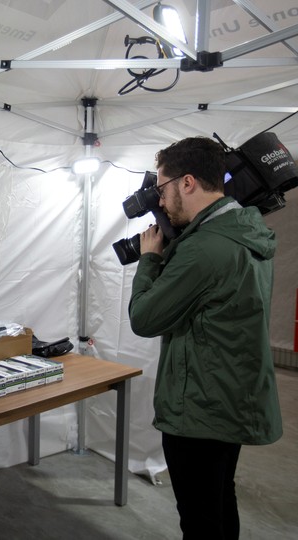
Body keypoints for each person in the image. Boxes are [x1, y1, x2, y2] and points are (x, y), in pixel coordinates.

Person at [128, 136, 283, 539]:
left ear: (188, 182)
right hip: (231, 395)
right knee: (218, 503)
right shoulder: (244, 230)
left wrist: (149, 260)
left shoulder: (206, 248)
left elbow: (145, 318)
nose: (159, 201)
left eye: (161, 188)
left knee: (199, 518)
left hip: (200, 406)